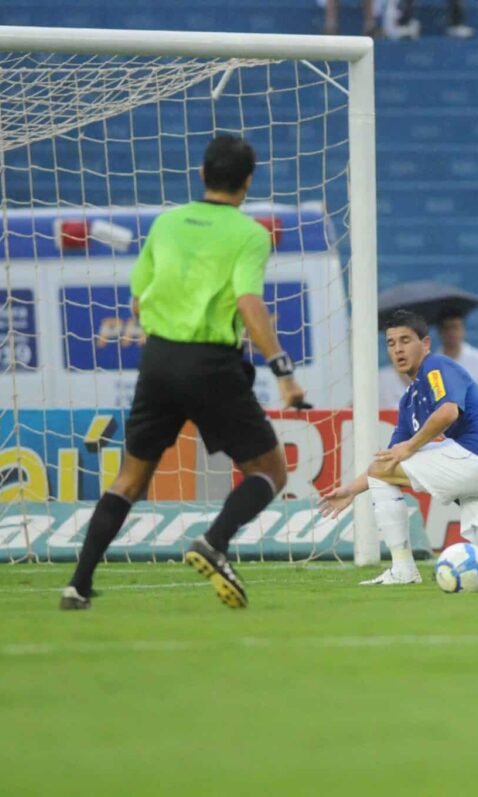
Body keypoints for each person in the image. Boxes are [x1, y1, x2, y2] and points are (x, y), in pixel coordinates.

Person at [60, 134, 307, 610]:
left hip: (158, 359)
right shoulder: (250, 235)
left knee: (130, 478)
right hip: (210, 363)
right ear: (248, 182)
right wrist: (283, 371)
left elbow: (137, 299)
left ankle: (78, 584)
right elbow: (249, 303)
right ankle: (214, 541)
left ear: (201, 174)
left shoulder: (166, 224)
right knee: (270, 469)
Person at [318, 310, 478, 582]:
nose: (398, 349)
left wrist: (411, 446)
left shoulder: (437, 366)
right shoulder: (409, 401)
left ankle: (403, 569)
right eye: (391, 343)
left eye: (405, 340)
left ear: (425, 344)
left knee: (385, 467)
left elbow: (448, 412)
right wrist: (351, 490)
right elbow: (388, 462)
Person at [437, 311, 478, 401]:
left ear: (463, 330)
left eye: (455, 327)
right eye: (447, 328)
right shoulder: (431, 362)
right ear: (440, 332)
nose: (451, 332)